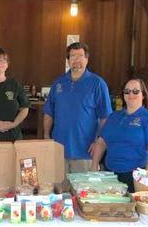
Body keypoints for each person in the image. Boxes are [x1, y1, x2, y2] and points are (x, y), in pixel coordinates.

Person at [43, 42, 112, 173]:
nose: (76, 60)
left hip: (85, 153)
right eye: (72, 56)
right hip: (58, 152)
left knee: (83, 193)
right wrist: (46, 137)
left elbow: (106, 117)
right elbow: (48, 113)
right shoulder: (58, 82)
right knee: (59, 192)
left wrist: (98, 141)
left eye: (80, 56)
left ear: (87, 59)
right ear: (68, 60)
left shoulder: (97, 83)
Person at [91, 78, 148, 192]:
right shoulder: (114, 116)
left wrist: (146, 179)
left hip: (134, 178)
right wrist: (94, 165)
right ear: (123, 95)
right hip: (109, 175)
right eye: (127, 91)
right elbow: (101, 143)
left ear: (143, 95)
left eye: (135, 91)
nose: (131, 94)